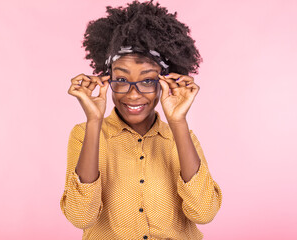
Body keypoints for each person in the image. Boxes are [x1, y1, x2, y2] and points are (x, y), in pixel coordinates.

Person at [60, 1, 222, 239]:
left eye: (147, 81)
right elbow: (81, 216)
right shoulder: (84, 134)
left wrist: (178, 122)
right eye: (122, 80)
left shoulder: (181, 138)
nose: (133, 94)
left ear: (164, 83)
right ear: (107, 81)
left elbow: (204, 213)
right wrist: (94, 121)